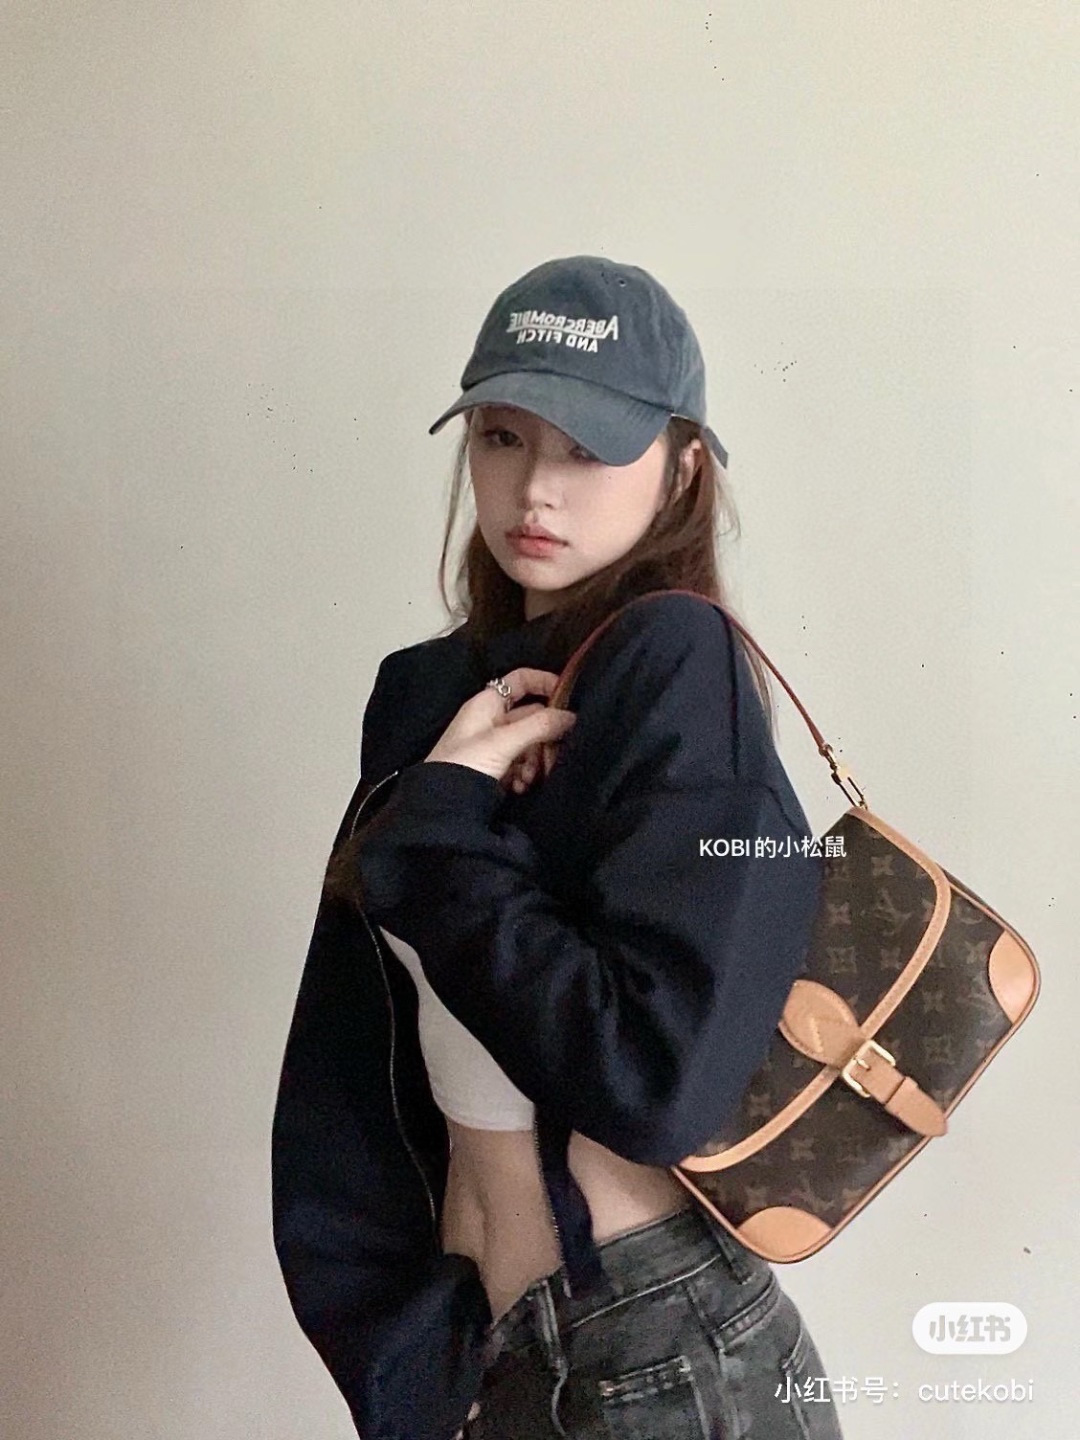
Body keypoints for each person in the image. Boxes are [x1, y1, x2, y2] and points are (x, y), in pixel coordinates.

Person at [271, 255, 845, 1440]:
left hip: (652, 1350)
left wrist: (442, 826)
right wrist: (404, 1346)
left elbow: (657, 1082)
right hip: (477, 1352)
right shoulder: (432, 695)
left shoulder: (676, 668)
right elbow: (363, 1044)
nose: (537, 488)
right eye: (503, 438)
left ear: (683, 468)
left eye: (591, 450)